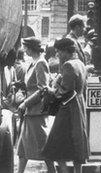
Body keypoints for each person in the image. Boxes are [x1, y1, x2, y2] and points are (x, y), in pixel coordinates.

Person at [41, 37, 89, 173]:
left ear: (66, 51)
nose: (58, 55)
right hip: (78, 106)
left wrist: (51, 91)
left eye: (59, 52)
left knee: (54, 149)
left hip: (67, 109)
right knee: (76, 146)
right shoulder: (80, 63)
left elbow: (64, 91)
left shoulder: (68, 65)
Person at [15, 37, 54, 173]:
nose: (24, 50)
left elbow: (43, 89)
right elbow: (33, 85)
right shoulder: (34, 62)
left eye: (26, 47)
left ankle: (52, 171)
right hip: (31, 111)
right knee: (22, 147)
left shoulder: (40, 63)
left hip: (36, 111)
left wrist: (25, 103)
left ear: (31, 48)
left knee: (43, 145)